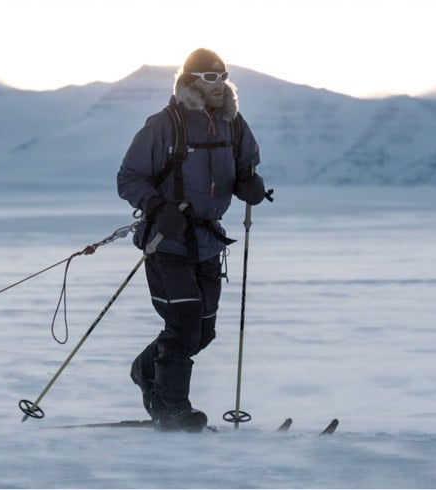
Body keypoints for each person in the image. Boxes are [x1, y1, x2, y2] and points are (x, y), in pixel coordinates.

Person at [116, 48, 267, 431]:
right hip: (167, 240)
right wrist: (156, 206)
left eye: (222, 76)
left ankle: (145, 369)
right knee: (184, 322)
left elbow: (247, 165)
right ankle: (172, 409)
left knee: (203, 330)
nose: (218, 84)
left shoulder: (234, 124)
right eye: (209, 77)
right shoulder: (165, 124)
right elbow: (129, 177)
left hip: (208, 240)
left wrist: (250, 185)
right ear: (190, 80)